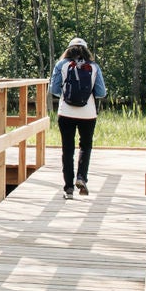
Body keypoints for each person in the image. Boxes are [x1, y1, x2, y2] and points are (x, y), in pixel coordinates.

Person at [50, 38, 105, 197]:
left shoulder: (61, 65)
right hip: (88, 114)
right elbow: (101, 92)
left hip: (65, 112)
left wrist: (67, 96)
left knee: (67, 149)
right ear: (86, 50)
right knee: (85, 146)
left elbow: (54, 89)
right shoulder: (94, 67)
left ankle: (68, 188)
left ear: (68, 50)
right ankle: (81, 177)